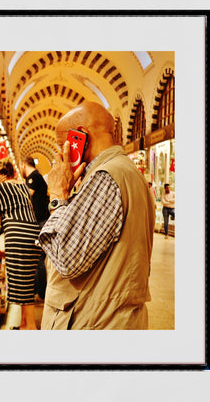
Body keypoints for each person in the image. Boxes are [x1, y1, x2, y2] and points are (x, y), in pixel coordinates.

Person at [38, 101, 155, 330]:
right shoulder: (127, 172)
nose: (62, 153)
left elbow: (67, 259)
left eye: (63, 144)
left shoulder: (106, 177)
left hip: (96, 322)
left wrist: (58, 196)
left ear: (79, 136)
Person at [0, 159, 42, 330]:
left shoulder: (0, 188)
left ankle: (30, 325)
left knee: (19, 280)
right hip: (32, 232)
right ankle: (25, 322)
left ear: (1, 175)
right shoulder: (23, 186)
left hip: (17, 235)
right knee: (26, 281)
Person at [20, 155, 50, 300]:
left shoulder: (34, 178)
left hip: (39, 223)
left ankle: (41, 293)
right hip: (39, 222)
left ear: (24, 165)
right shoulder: (34, 177)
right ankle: (39, 291)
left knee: (38, 258)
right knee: (37, 258)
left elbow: (26, 197)